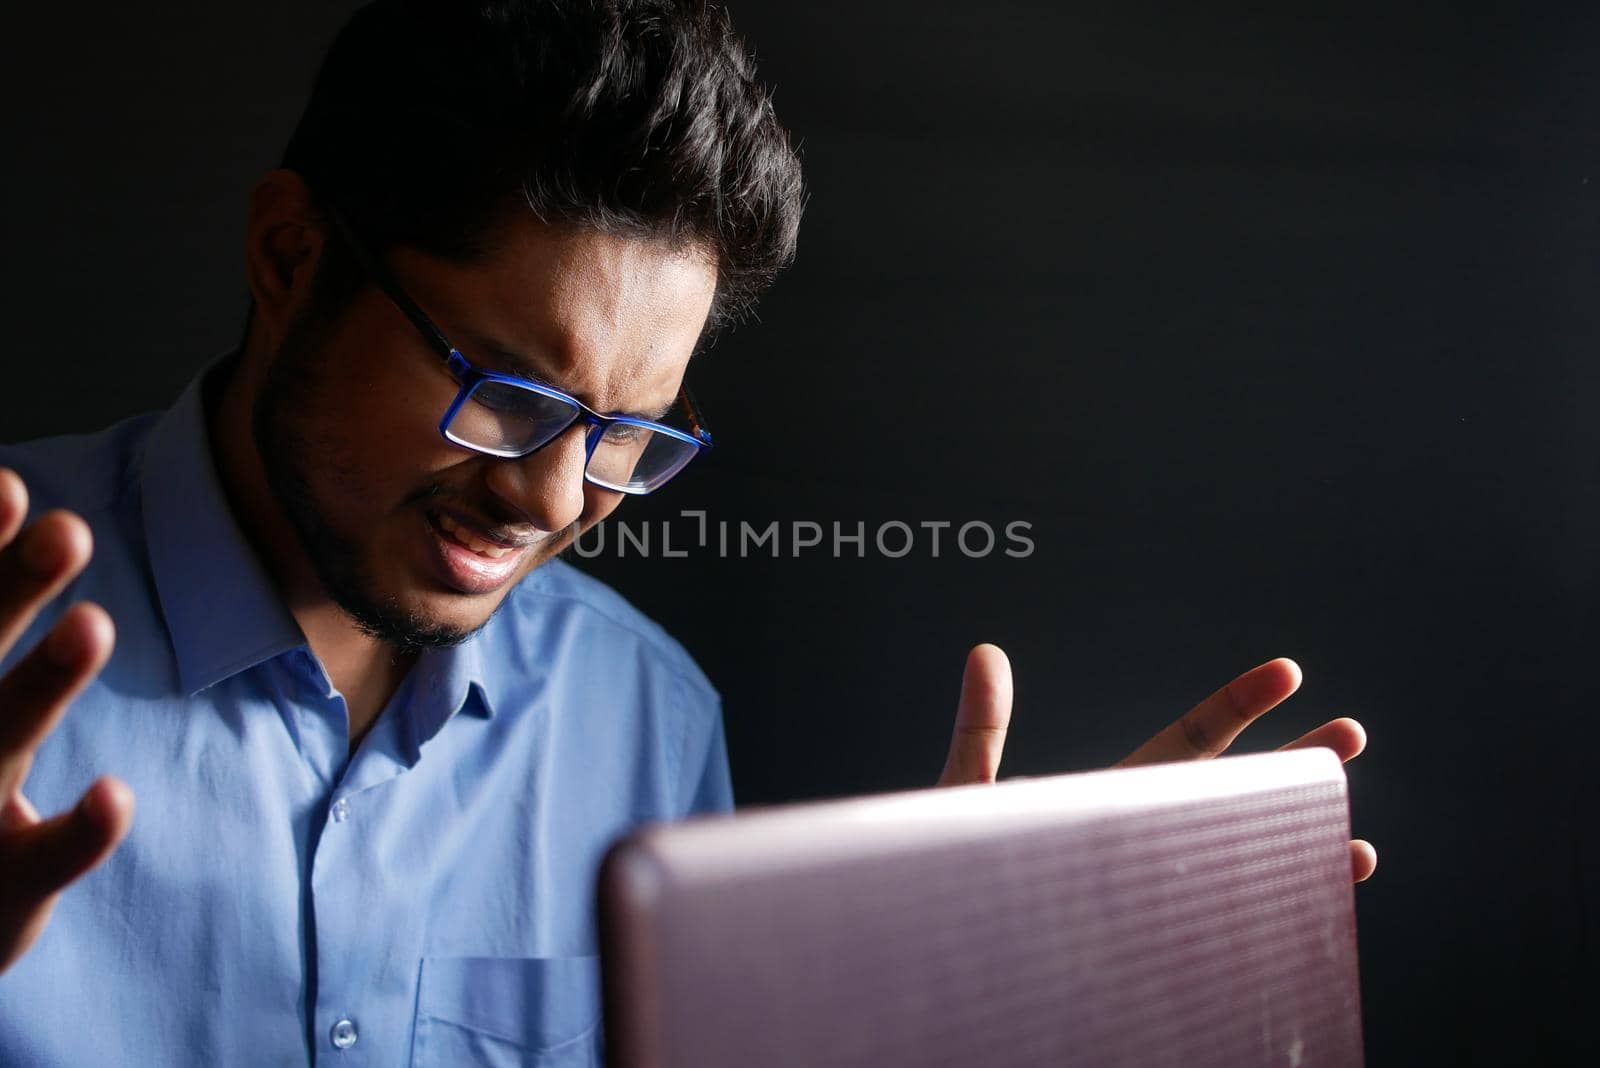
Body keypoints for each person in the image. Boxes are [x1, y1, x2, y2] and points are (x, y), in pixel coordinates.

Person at [0, 0, 1375, 1063]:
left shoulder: (640, 714)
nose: (550, 502)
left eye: (624, 434)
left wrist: (936, 1018)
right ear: (291, 258)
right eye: (507, 395)